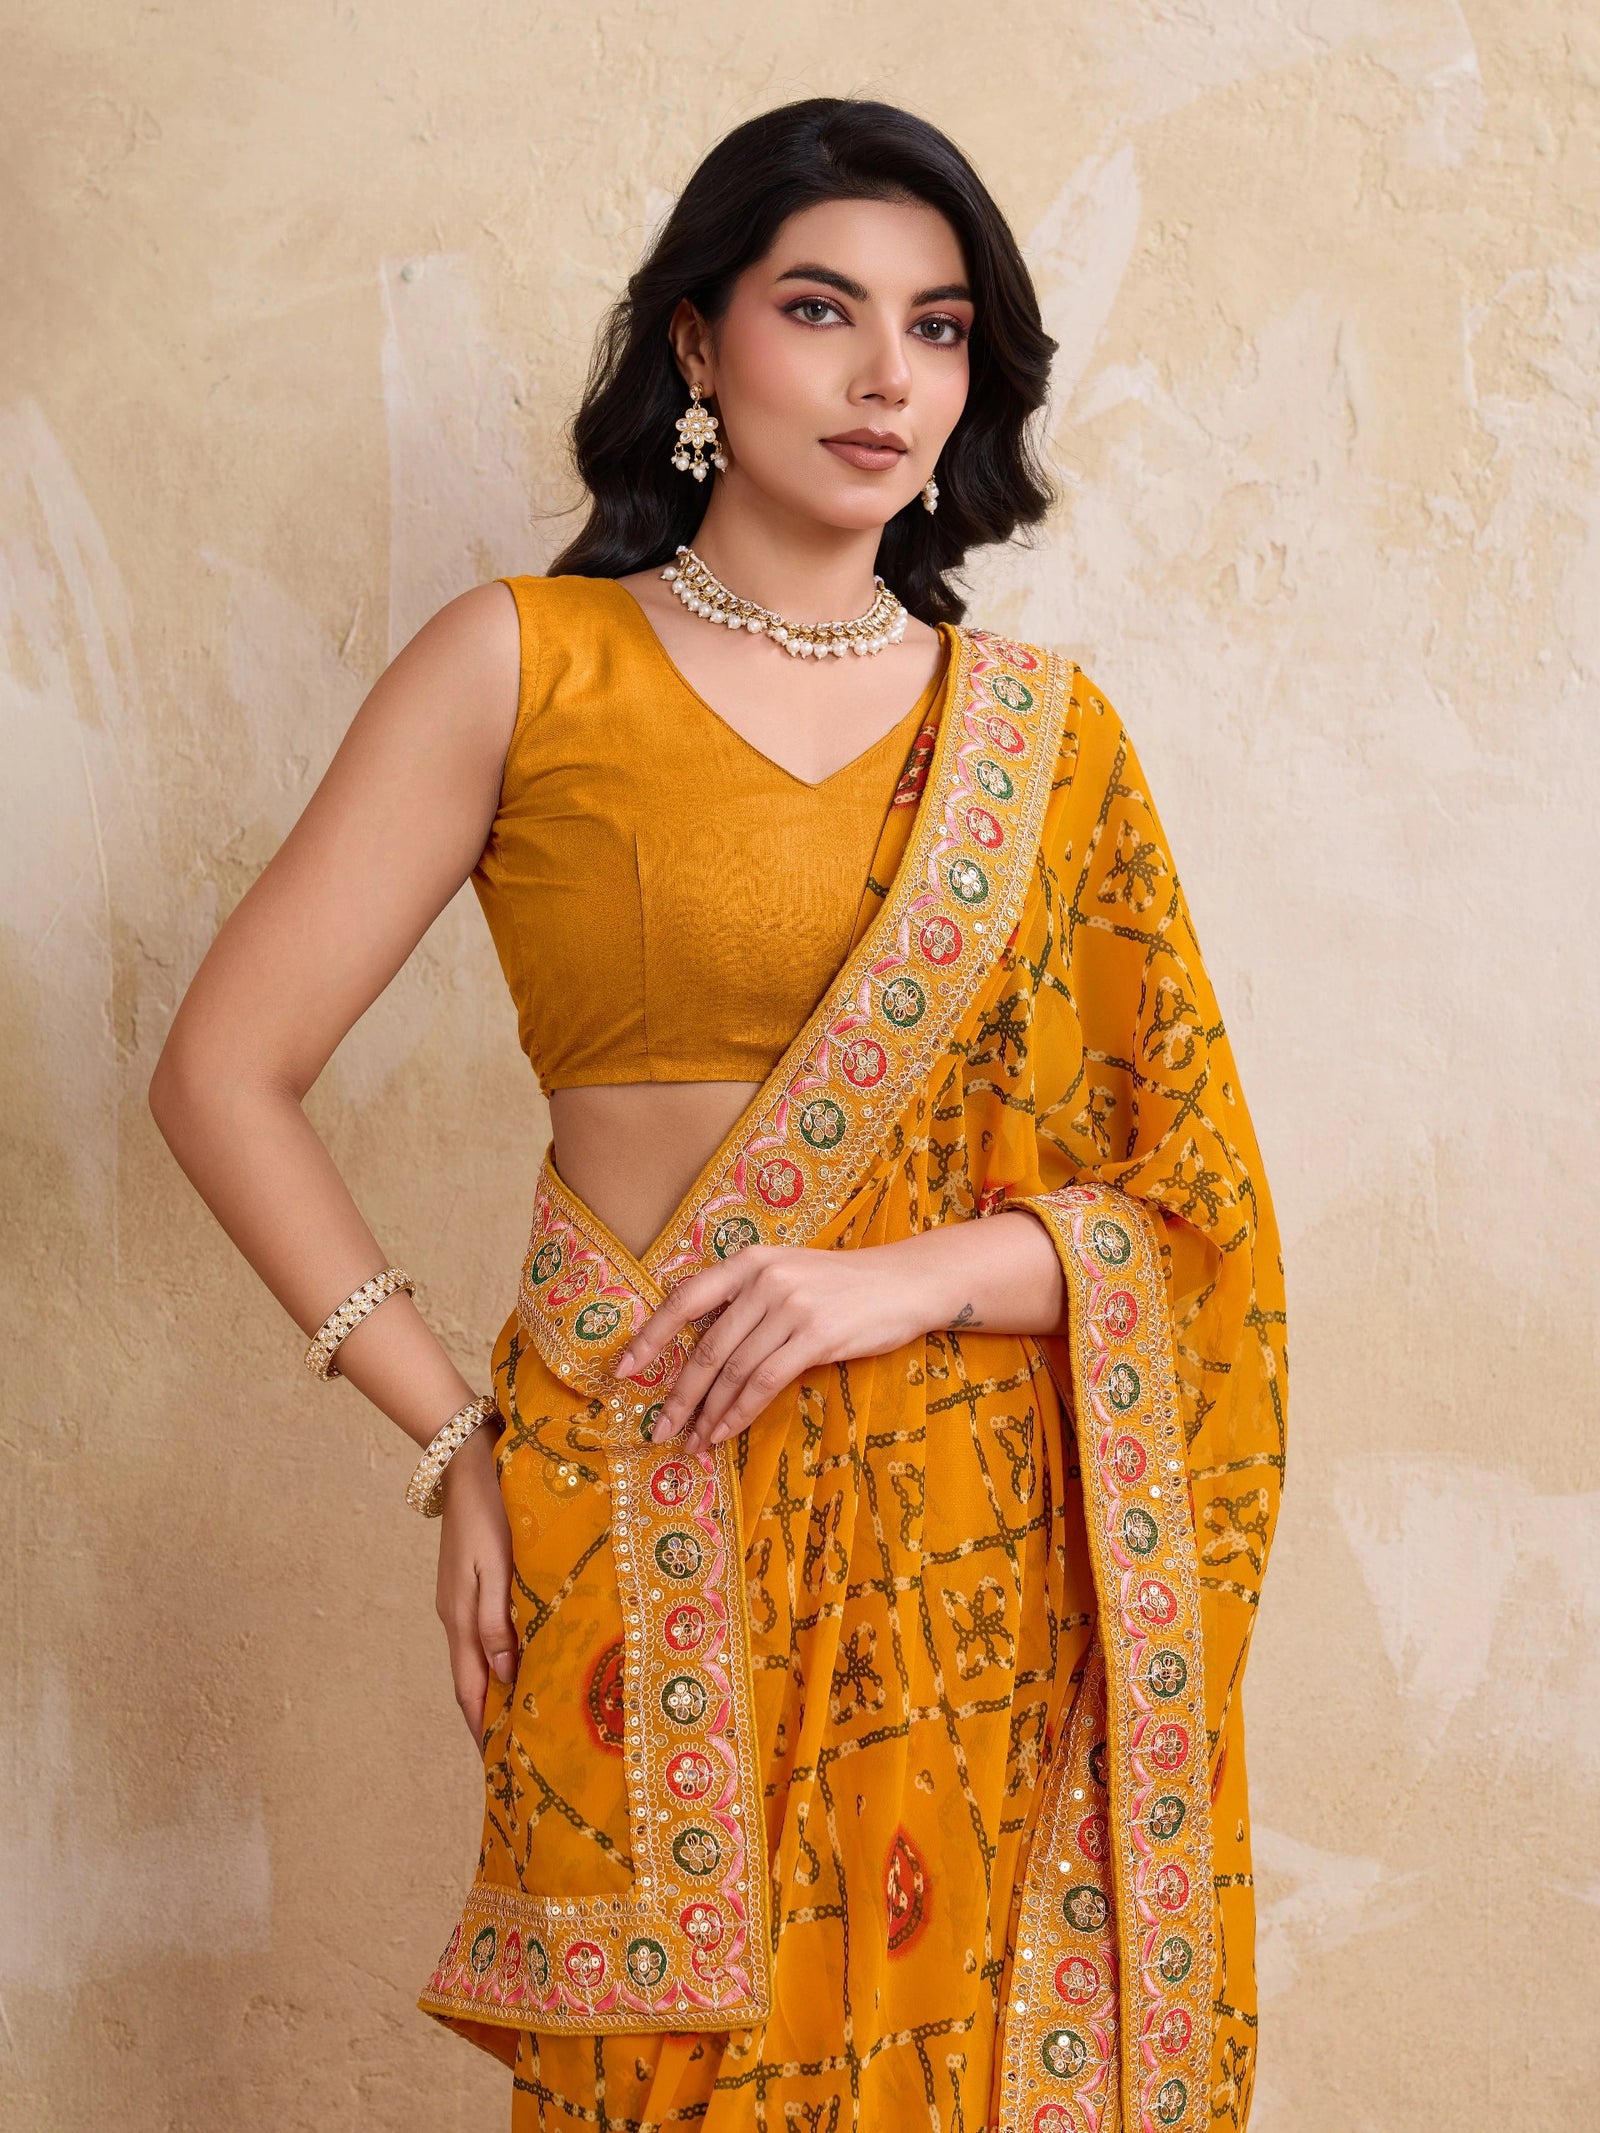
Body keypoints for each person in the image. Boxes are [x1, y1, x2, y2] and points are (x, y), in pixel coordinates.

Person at [150, 96, 1286, 2133]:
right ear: (695, 341)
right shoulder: (526, 664)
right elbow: (221, 1069)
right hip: (641, 1496)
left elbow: (1192, 1219)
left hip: (970, 1552)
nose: (882, 380)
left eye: (935, 329)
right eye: (819, 310)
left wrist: (903, 1281)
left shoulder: (1040, 742)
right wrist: (450, 1439)